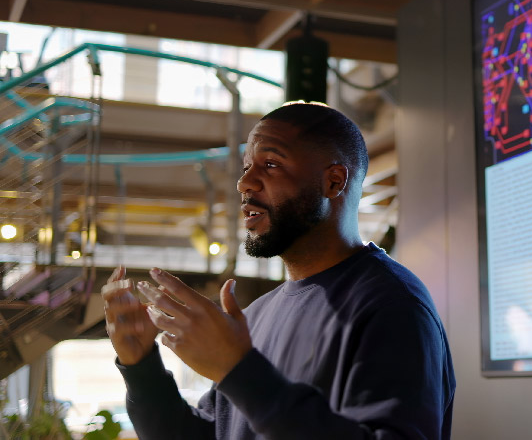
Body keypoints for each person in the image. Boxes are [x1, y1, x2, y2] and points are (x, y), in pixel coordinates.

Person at [101, 102, 455, 439]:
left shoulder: (393, 305)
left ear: (333, 182)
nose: (244, 183)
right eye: (246, 167)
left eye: (270, 164)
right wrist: (142, 367)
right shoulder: (255, 316)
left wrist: (239, 372)